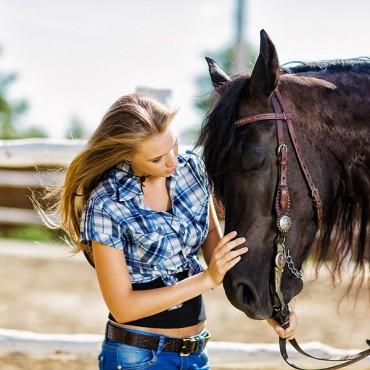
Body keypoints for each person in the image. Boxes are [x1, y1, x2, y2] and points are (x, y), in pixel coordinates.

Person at [34, 93, 296, 370]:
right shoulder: (106, 204)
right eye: (157, 159)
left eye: (173, 145)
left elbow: (222, 254)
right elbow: (123, 307)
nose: (172, 161)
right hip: (137, 358)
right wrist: (207, 279)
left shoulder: (192, 171)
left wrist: (270, 308)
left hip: (195, 355)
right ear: (125, 155)